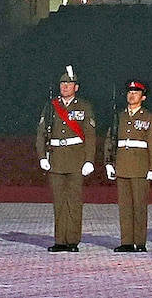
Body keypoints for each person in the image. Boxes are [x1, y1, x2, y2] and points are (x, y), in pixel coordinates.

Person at [36, 67, 96, 252]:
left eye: (69, 84)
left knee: (74, 202)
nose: (65, 87)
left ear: (76, 87)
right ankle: (60, 240)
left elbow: (90, 135)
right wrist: (41, 157)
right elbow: (41, 134)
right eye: (62, 84)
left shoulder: (84, 107)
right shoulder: (51, 106)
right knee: (59, 202)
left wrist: (89, 160)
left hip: (76, 159)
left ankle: (72, 240)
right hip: (56, 159)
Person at [105, 80, 152, 253]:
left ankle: (140, 242)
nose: (131, 95)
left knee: (139, 206)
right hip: (122, 164)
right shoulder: (119, 117)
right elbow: (110, 140)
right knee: (125, 207)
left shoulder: (149, 117)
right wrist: (108, 162)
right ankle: (126, 241)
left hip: (140, 166)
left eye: (136, 92)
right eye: (130, 92)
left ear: (143, 97)